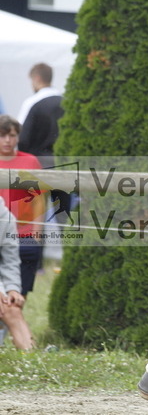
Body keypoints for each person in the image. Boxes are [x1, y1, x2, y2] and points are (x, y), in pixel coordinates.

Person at [0, 115, 45, 300]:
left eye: (12, 135)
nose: (7, 140)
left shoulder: (30, 162)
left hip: (25, 236)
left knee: (19, 296)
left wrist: (37, 232)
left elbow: (39, 200)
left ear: (18, 136)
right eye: (2, 135)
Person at [0, 196, 34, 350]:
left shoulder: (6, 217)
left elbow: (10, 261)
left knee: (12, 308)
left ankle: (32, 360)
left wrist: (12, 289)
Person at [17, 63, 63, 170]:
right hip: (63, 162)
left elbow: (21, 136)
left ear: (36, 78)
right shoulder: (66, 102)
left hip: (37, 163)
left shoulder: (32, 102)